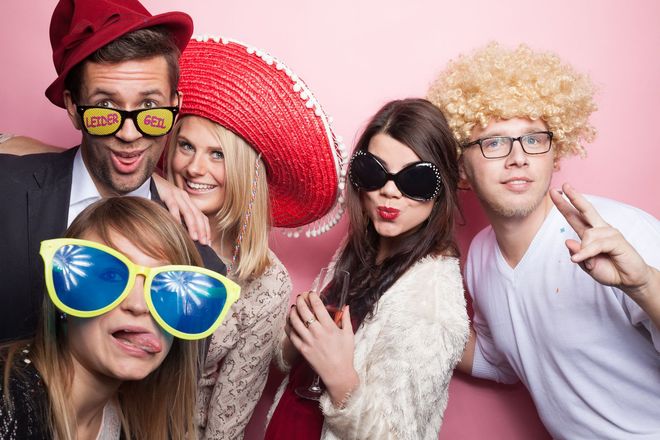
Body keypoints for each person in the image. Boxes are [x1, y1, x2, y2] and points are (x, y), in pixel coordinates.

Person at [427, 43, 660, 439]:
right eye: (494, 142)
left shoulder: (617, 230)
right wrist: (404, 309)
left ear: (556, 152)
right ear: (461, 169)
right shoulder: (480, 256)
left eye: (534, 139)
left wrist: (643, 285)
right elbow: (498, 358)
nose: (519, 157)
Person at [0, 0, 224, 343]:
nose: (130, 134)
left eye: (150, 107)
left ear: (174, 108)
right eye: (105, 107)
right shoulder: (7, 192)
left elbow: (172, 393)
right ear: (74, 108)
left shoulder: (199, 268)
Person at [161, 36, 346, 440]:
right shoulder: (142, 226)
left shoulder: (265, 281)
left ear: (246, 170)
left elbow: (228, 418)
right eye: (186, 146)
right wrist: (152, 187)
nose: (194, 168)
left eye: (217, 155)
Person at [265, 98, 470, 440]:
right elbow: (294, 365)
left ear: (442, 189)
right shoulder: (357, 252)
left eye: (415, 180)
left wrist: (341, 378)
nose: (388, 191)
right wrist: (296, 335)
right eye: (374, 173)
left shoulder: (432, 301)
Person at [0, 196, 239, 440]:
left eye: (166, 287)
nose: (139, 305)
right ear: (62, 290)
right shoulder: (6, 404)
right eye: (111, 276)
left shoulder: (130, 423)